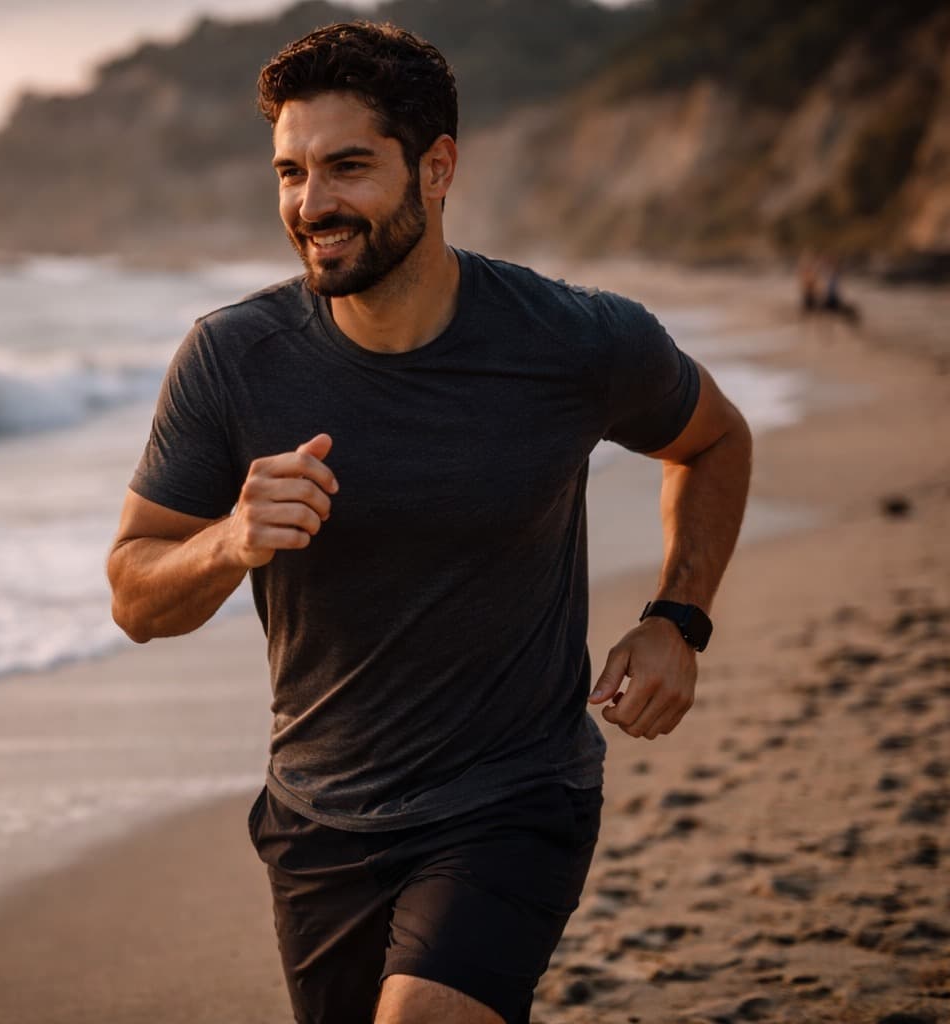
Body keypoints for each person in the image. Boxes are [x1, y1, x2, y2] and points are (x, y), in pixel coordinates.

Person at [106, 21, 752, 1024]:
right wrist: (230, 540)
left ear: (436, 167)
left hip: (515, 794)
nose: (312, 204)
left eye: (348, 167)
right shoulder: (233, 359)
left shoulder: (572, 340)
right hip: (319, 816)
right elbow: (136, 597)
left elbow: (713, 439)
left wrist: (680, 616)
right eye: (291, 172)